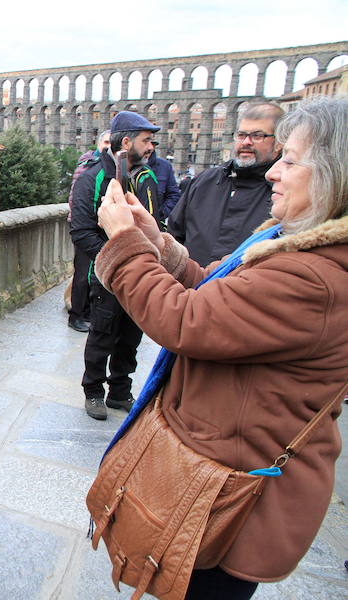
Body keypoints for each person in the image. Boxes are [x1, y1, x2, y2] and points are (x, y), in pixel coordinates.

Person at [93, 96, 348, 599]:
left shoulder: (314, 276)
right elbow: (218, 294)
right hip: (221, 473)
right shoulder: (297, 245)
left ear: (336, 175)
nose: (275, 170)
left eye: (291, 159)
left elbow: (185, 321)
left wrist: (124, 245)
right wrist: (157, 243)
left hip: (231, 497)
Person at [70, 111, 162, 420]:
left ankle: (120, 391)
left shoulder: (143, 177)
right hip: (109, 276)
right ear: (126, 141)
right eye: (146, 140)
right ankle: (93, 391)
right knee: (103, 334)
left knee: (131, 336)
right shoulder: (93, 179)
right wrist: (115, 259)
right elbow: (81, 232)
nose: (151, 146)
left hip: (139, 272)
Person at [167, 102, 284, 266]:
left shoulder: (284, 192)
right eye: (241, 135)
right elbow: (174, 233)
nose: (246, 142)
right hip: (190, 287)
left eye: (257, 136)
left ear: (278, 143)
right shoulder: (205, 181)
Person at [67, 129, 110, 332]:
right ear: (99, 144)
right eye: (106, 142)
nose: (109, 147)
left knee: (95, 273)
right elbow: (76, 197)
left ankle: (88, 312)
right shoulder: (87, 166)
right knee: (83, 273)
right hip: (84, 227)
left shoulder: (109, 168)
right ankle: (77, 315)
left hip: (98, 228)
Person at [146, 140, 180, 218]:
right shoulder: (127, 165)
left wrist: (161, 214)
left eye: (152, 144)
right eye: (144, 142)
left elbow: (174, 194)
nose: (149, 147)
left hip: (156, 223)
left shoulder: (165, 166)